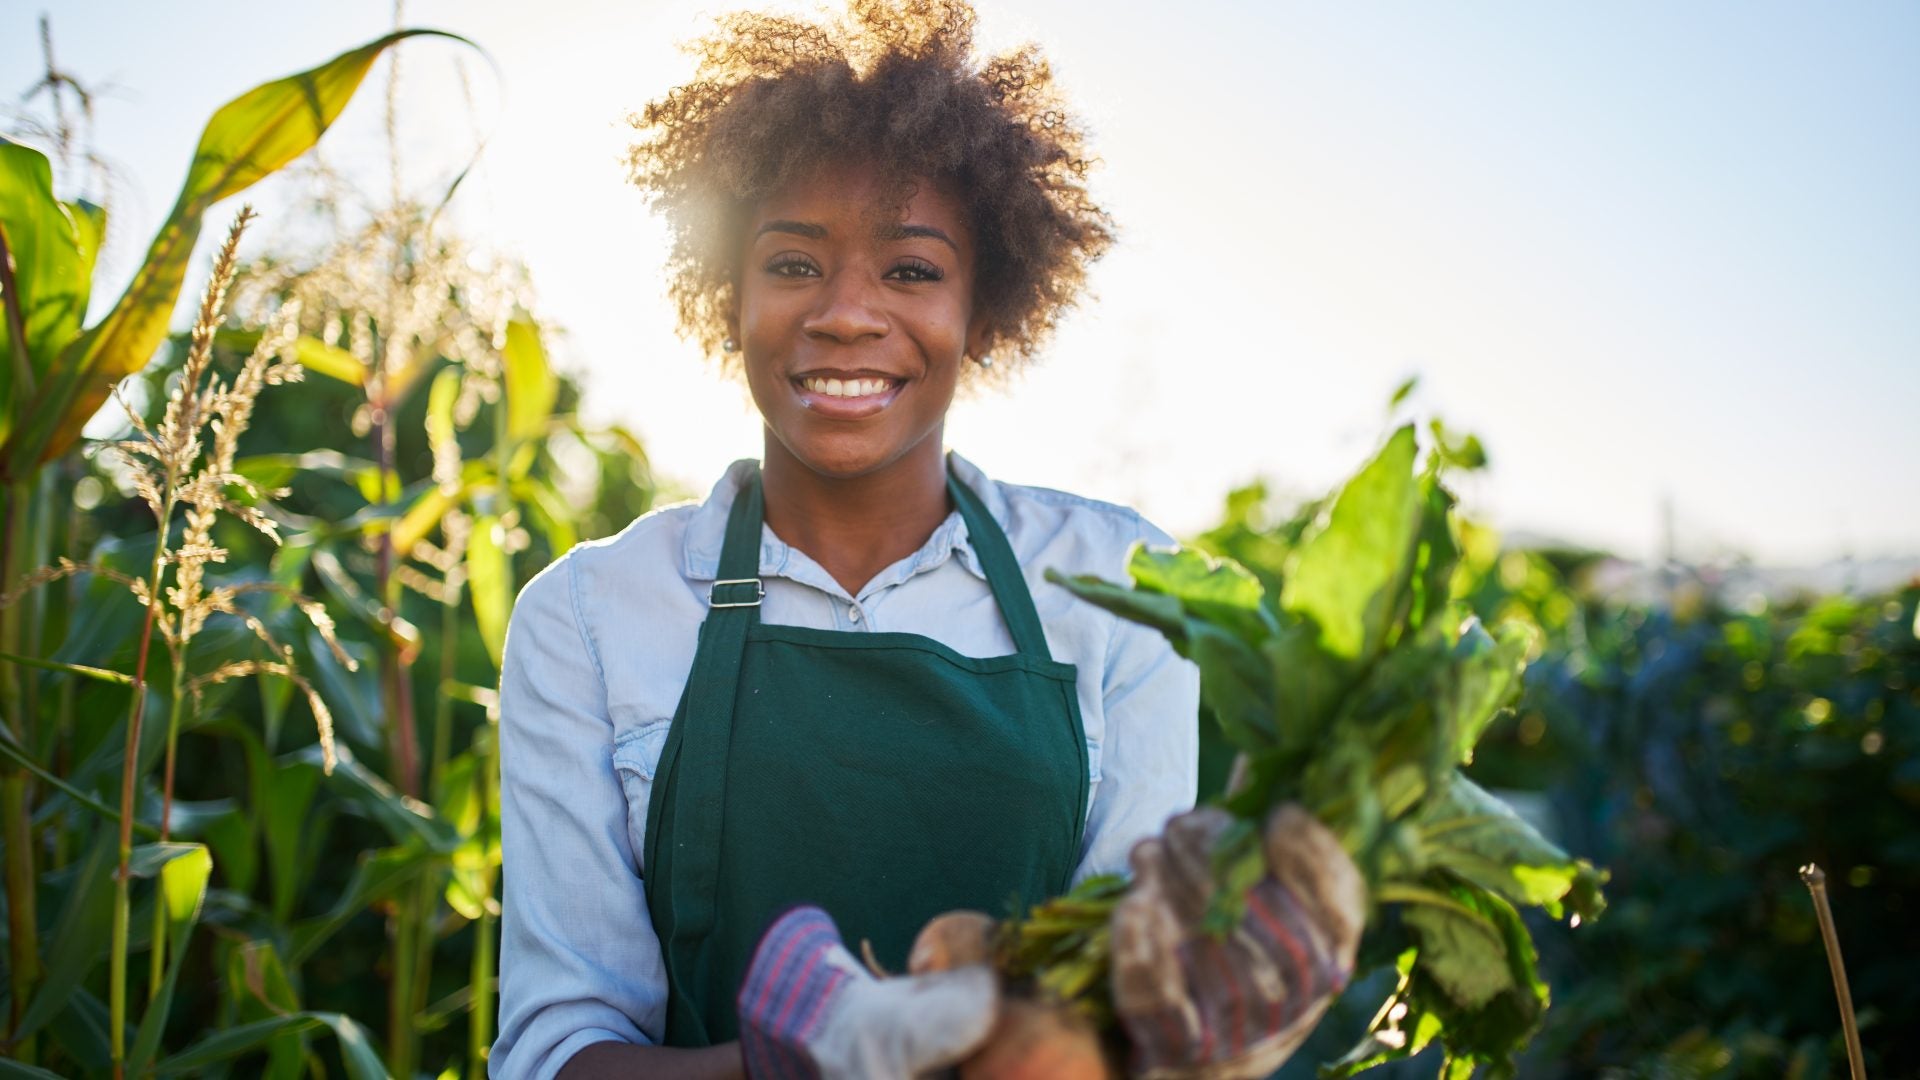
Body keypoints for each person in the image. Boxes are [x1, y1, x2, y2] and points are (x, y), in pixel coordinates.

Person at [490, 2, 1364, 1078]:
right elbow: (555, 1055)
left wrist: (1201, 1024)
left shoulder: (1117, 593)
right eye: (794, 264)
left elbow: (1110, 1009)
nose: (848, 313)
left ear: (984, 311)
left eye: (911, 270)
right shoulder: (592, 615)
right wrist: (807, 1058)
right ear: (728, 297)